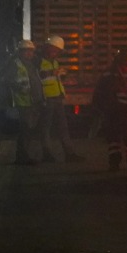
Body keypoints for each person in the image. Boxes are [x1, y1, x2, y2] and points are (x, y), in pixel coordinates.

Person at [93, 47, 127, 171]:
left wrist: (100, 108)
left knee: (113, 137)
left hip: (111, 111)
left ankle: (114, 163)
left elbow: (98, 93)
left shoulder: (106, 74)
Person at [37, 34, 85, 163]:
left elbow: (53, 78)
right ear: (48, 47)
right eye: (55, 50)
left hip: (57, 97)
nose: (57, 53)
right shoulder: (38, 60)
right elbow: (36, 76)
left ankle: (69, 154)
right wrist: (52, 73)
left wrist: (63, 77)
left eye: (58, 51)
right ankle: (47, 154)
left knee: (63, 127)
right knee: (46, 127)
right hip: (46, 98)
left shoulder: (54, 61)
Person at [0, 39, 44, 165]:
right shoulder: (15, 64)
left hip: (33, 102)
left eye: (31, 51)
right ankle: (22, 158)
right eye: (26, 51)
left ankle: (24, 156)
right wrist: (19, 87)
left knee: (29, 131)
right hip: (23, 103)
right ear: (20, 52)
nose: (29, 54)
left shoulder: (31, 64)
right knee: (25, 131)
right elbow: (4, 79)